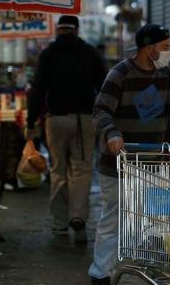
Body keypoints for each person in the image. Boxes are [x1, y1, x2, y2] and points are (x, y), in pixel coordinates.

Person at [88, 24, 170, 285]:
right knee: (115, 217)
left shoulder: (166, 75)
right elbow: (100, 111)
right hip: (119, 163)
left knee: (152, 219)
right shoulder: (120, 73)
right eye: (164, 47)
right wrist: (112, 134)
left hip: (152, 162)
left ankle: (147, 270)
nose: (168, 52)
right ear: (148, 48)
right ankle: (100, 273)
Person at [26, 15, 107, 242]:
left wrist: (31, 122)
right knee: (81, 170)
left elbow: (38, 90)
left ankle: (59, 222)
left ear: (57, 29)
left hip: (56, 120)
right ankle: (78, 217)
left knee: (58, 169)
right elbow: (104, 86)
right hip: (84, 120)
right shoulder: (90, 52)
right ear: (77, 29)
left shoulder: (48, 54)